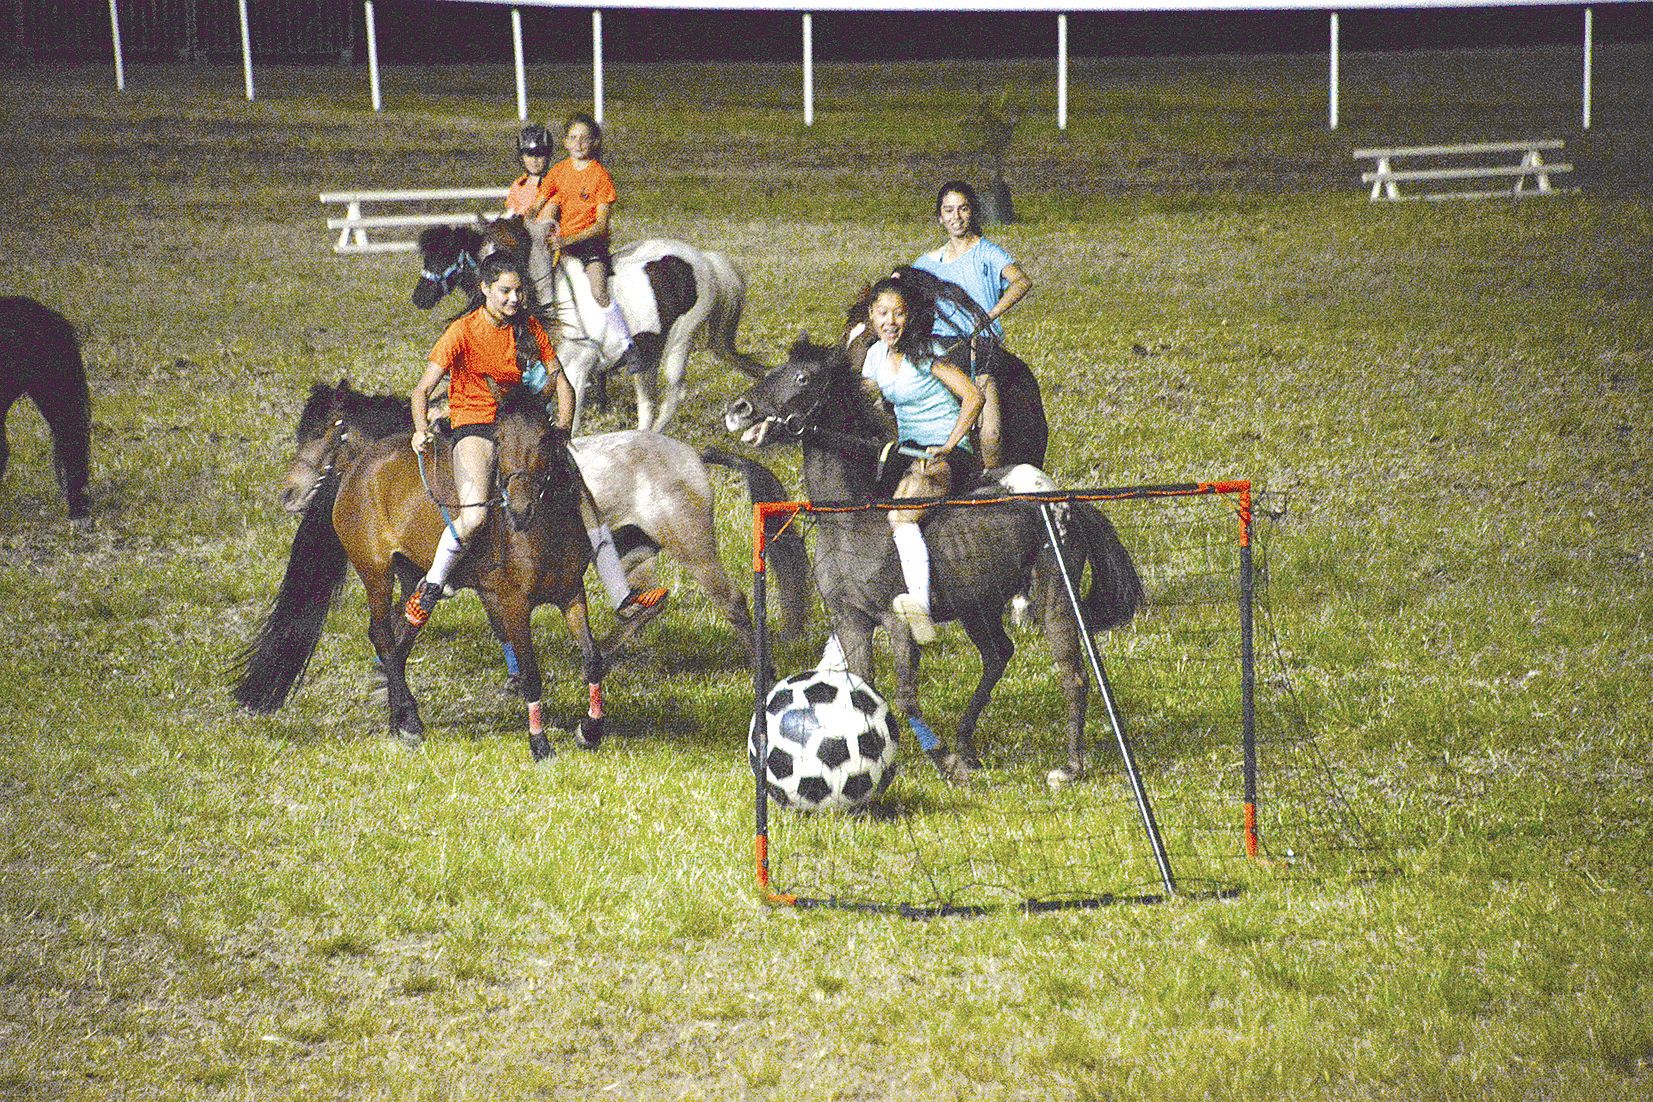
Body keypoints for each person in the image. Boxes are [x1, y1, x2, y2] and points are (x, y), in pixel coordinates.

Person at [404, 251, 666, 628]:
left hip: (519, 423)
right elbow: (422, 390)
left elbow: (562, 382)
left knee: (586, 505)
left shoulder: (528, 329)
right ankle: (430, 587)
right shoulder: (461, 331)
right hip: (475, 425)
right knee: (475, 514)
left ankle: (622, 597)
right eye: (505, 291)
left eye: (519, 291)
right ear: (485, 289)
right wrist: (419, 429)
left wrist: (562, 427)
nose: (514, 298)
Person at [859, 275, 984, 645]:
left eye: (898, 313)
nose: (890, 321)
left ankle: (921, 608)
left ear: (909, 317)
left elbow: (973, 396)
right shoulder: (874, 356)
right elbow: (866, 401)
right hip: (907, 450)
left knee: (902, 512)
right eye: (882, 313)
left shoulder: (927, 352)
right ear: (871, 316)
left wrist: (949, 445)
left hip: (942, 452)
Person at [910, 179, 1031, 470]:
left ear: (972, 212)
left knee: (990, 430)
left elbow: (1021, 282)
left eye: (962, 209)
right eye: (949, 210)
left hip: (980, 344)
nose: (956, 217)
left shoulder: (988, 252)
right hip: (940, 347)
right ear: (940, 217)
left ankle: (990, 479)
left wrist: (989, 316)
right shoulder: (927, 263)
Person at [542, 111, 636, 368]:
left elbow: (600, 224)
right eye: (573, 138)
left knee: (598, 289)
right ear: (565, 142)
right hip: (562, 240)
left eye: (585, 138)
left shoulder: (600, 175)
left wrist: (568, 240)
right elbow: (539, 202)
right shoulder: (559, 171)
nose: (579, 143)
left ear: (594, 142)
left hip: (589, 243)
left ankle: (627, 344)